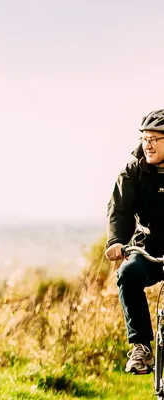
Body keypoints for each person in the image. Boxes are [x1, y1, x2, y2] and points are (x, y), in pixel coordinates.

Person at [106, 108, 164, 375]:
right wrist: (117, 241)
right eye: (145, 138)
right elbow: (120, 209)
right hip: (148, 247)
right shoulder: (133, 171)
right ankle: (140, 346)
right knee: (128, 273)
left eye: (155, 138)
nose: (148, 144)